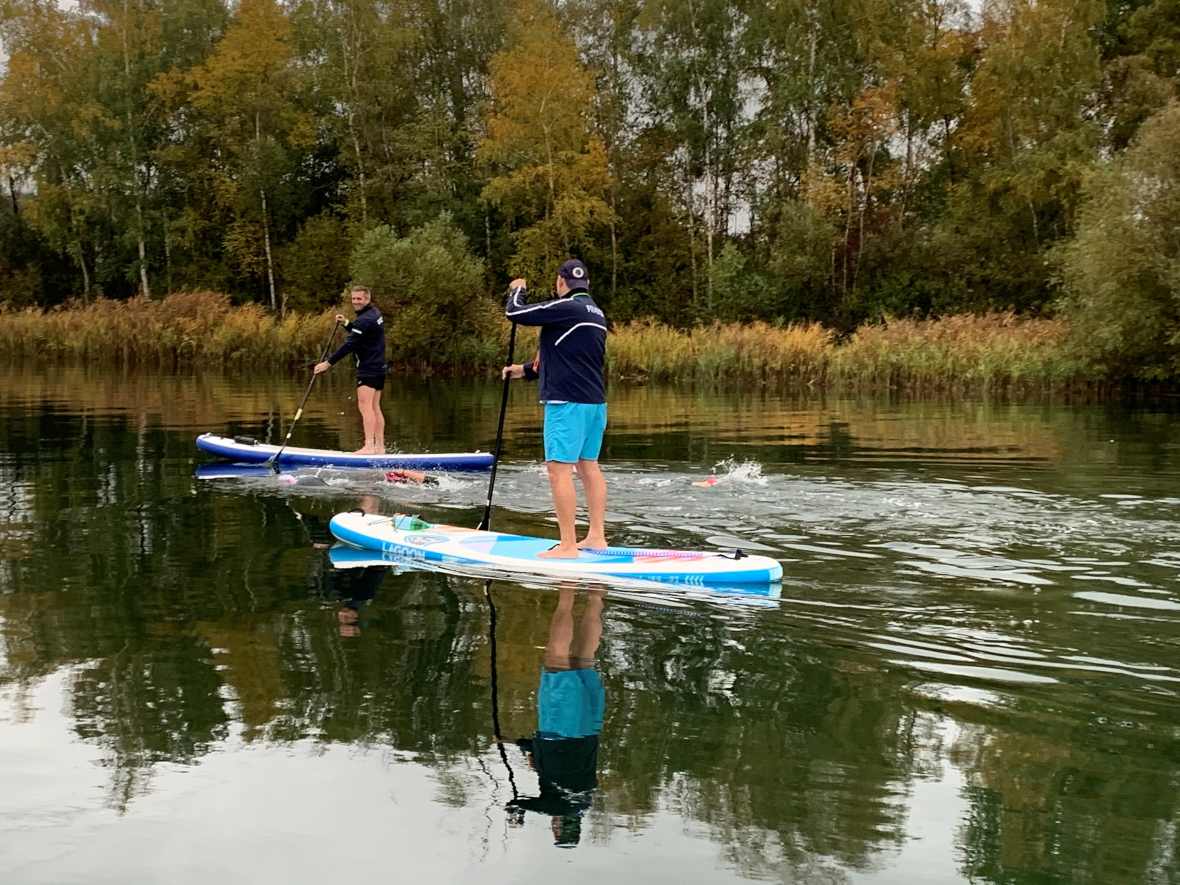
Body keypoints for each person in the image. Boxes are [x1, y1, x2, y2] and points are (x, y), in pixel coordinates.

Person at [503, 259, 609, 558]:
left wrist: (517, 290)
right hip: (595, 403)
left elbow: (515, 313)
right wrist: (524, 370)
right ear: (585, 284)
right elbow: (569, 354)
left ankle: (567, 546)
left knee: (558, 471)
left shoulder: (566, 307)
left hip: (566, 403)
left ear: (561, 282)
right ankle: (596, 537)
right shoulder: (597, 312)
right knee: (588, 466)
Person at [506, 587, 605, 847]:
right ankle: (567, 591)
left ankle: (596, 595)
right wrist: (517, 812)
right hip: (560, 726)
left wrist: (520, 744)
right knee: (556, 658)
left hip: (590, 728)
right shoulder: (557, 805)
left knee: (584, 658)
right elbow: (522, 803)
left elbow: (557, 762)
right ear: (559, 827)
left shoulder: (584, 797)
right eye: (555, 829)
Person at [314, 285, 387, 454]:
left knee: (365, 406)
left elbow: (350, 344)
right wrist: (347, 323)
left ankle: (369, 446)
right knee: (375, 407)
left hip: (368, 368)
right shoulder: (374, 313)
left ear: (367, 299)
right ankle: (379, 447)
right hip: (379, 366)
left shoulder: (365, 319)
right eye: (353, 299)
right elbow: (362, 333)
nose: (355, 302)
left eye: (359, 299)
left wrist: (328, 363)